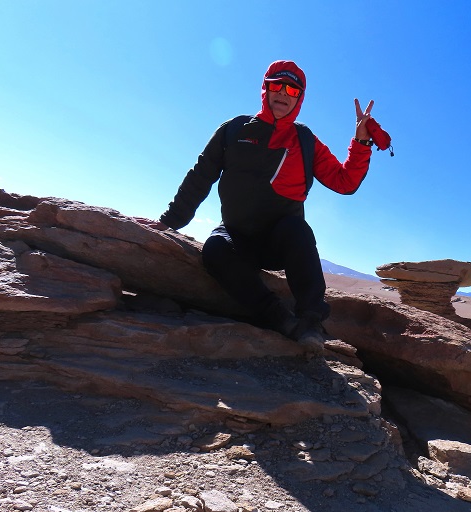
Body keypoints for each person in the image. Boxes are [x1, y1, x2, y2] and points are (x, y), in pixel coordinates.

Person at [156, 60, 375, 353]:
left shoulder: (304, 140)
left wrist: (361, 142)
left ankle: (311, 322)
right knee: (214, 250)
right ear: (266, 88)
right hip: (237, 236)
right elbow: (201, 175)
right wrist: (170, 221)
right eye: (278, 86)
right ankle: (279, 318)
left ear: (300, 98)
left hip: (278, 244)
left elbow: (344, 182)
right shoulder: (234, 130)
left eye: (293, 90)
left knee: (298, 230)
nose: (284, 94)